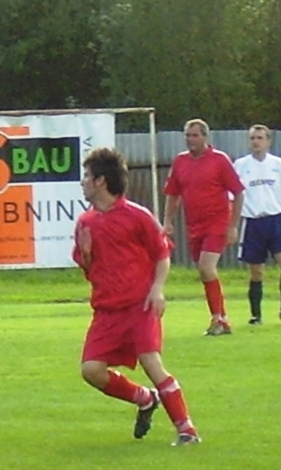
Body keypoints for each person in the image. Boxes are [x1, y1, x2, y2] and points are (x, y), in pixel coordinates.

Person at [74, 147, 200, 446]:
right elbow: (88, 268)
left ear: (101, 181)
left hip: (139, 305)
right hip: (106, 311)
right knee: (91, 371)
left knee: (151, 361)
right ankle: (145, 399)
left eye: (87, 176)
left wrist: (157, 289)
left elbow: (162, 255)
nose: (83, 182)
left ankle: (187, 429)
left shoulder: (138, 216)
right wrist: (88, 254)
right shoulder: (85, 223)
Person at [163, 118, 244, 336]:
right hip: (194, 226)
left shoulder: (219, 160)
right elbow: (173, 193)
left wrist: (233, 226)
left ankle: (217, 318)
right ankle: (222, 318)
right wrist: (167, 221)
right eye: (187, 135)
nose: (190, 140)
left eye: (195, 135)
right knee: (204, 271)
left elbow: (238, 192)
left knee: (206, 267)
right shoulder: (180, 162)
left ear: (205, 137)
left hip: (217, 222)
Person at [233, 124, 281, 325]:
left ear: (268, 141)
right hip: (253, 222)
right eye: (253, 138)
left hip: (276, 219)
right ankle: (256, 315)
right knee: (256, 271)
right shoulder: (241, 165)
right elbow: (233, 194)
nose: (256, 142)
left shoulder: (277, 164)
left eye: (260, 138)